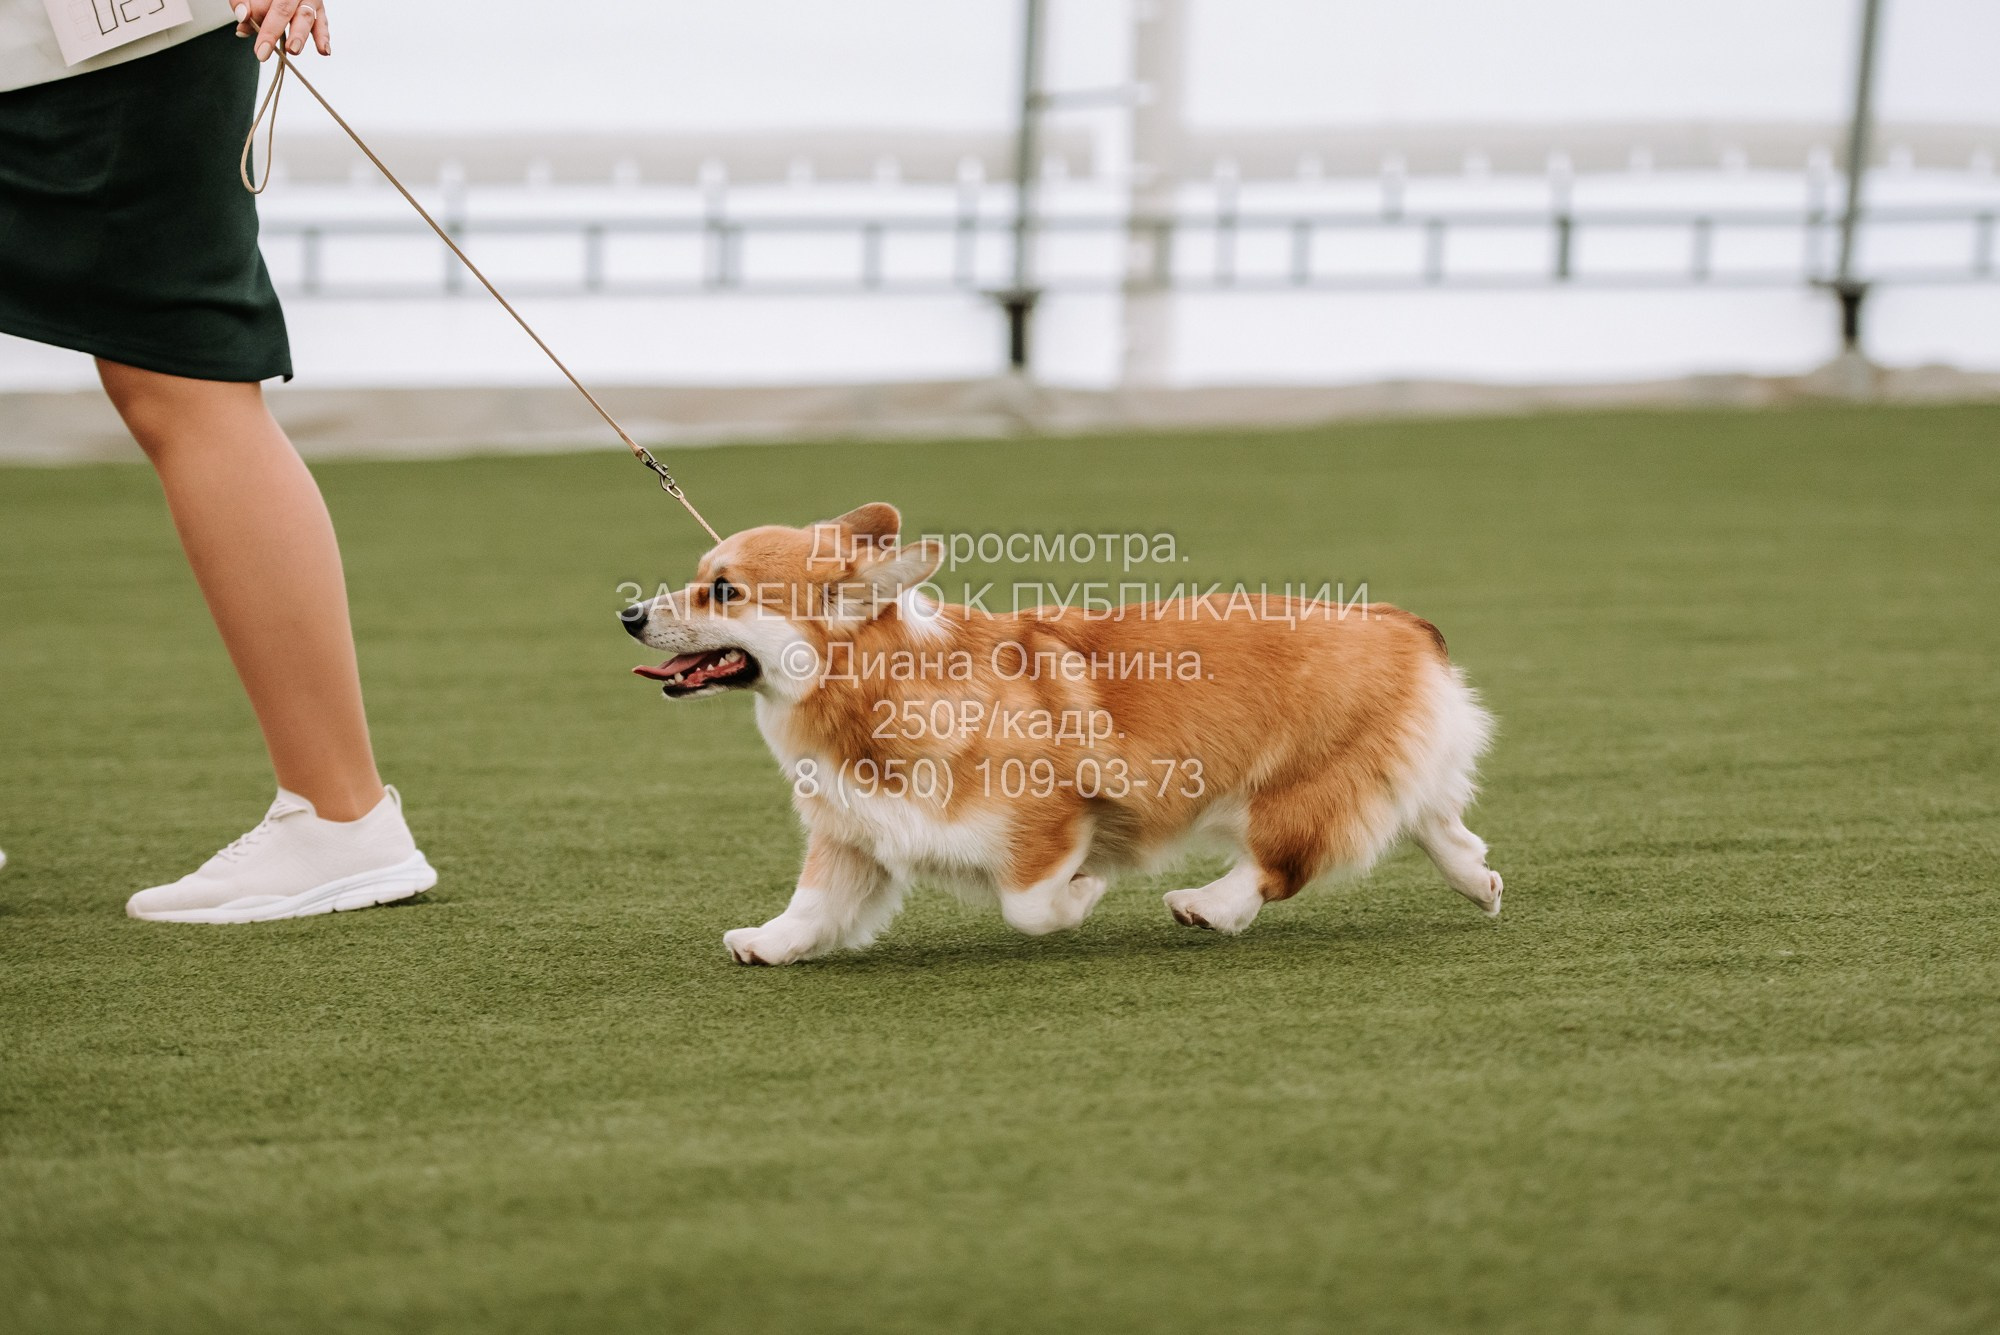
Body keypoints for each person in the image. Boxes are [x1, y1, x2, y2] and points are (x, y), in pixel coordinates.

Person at [0, 0, 434, 921]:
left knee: (182, 384)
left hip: (105, 45)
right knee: (180, 387)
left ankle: (340, 814)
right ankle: (339, 815)